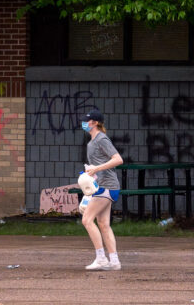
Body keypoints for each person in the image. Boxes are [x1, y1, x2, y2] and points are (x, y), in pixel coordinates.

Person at [80, 108, 123, 271]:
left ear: (95, 123)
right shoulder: (92, 142)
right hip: (105, 186)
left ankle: (101, 258)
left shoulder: (101, 139)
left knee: (87, 220)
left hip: (106, 186)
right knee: (104, 223)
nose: (84, 123)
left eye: (87, 121)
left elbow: (118, 159)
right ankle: (114, 261)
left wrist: (96, 169)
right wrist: (91, 172)